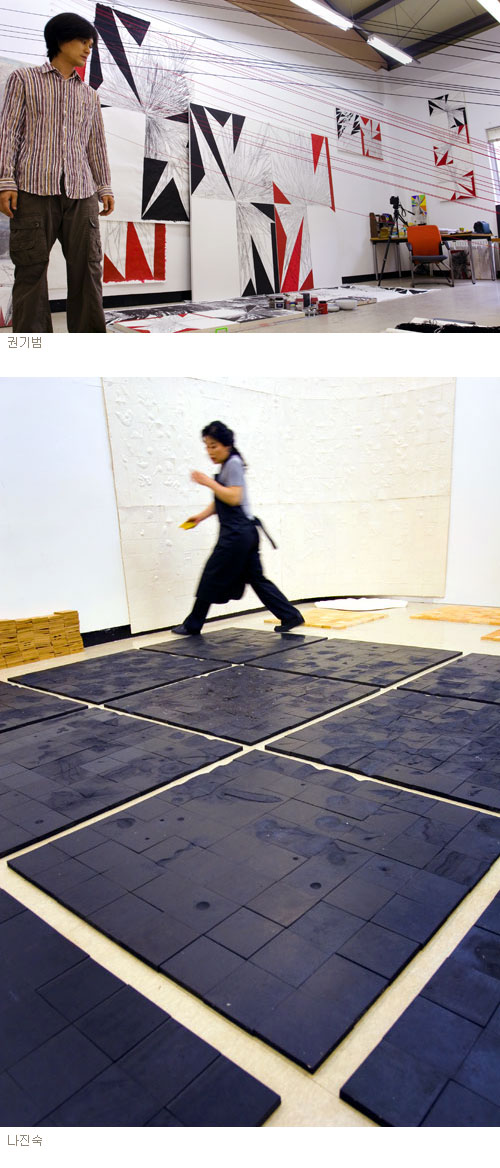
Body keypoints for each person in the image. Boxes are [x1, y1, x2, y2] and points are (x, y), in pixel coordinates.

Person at [0, 12, 114, 332]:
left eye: (91, 44)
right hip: (33, 189)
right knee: (31, 270)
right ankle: (33, 349)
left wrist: (104, 186)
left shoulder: (89, 95)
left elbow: (95, 144)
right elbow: (9, 132)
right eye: (83, 41)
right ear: (61, 40)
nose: (88, 49)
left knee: (88, 270)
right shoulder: (24, 79)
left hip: (81, 191)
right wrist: (5, 180)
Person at [172, 421, 305, 636]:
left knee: (211, 574)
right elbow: (223, 498)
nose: (210, 451)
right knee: (256, 578)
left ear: (227, 445)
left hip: (236, 534)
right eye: (207, 446)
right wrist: (201, 516)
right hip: (246, 532)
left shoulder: (232, 464)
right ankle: (290, 615)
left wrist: (207, 482)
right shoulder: (229, 464)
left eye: (213, 446)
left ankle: (193, 624)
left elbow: (234, 497)